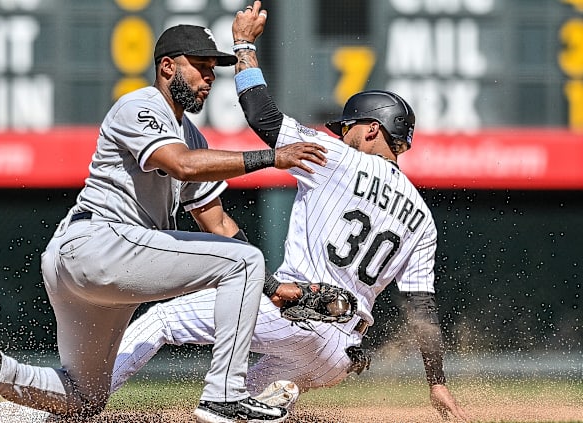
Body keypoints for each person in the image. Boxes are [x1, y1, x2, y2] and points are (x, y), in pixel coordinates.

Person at [0, 23, 328, 423]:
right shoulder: (139, 106)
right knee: (244, 260)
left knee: (83, 400)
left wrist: (273, 289)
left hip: (103, 267)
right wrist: (271, 158)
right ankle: (224, 394)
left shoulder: (192, 136)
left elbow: (219, 223)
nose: (209, 77)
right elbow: (181, 165)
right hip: (97, 242)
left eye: (214, 68)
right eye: (201, 65)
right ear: (168, 66)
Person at [109, 2, 470, 421]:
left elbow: (262, 115)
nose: (340, 132)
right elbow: (421, 307)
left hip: (298, 315)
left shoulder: (338, 158)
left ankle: (80, 404)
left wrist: (244, 45)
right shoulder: (422, 217)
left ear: (372, 128)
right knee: (236, 409)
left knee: (165, 319)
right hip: (338, 355)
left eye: (347, 125)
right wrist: (437, 381)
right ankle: (271, 402)